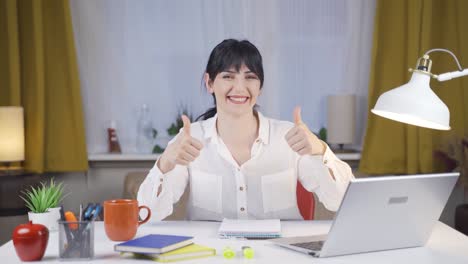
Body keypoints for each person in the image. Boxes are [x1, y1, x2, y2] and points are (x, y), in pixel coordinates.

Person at [138, 39, 354, 221]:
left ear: (260, 86)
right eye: (228, 76)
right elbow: (147, 214)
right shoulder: (190, 139)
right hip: (210, 255)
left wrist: (320, 151)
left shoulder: (290, 137)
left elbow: (341, 202)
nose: (240, 88)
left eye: (250, 77)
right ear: (209, 83)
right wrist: (165, 162)